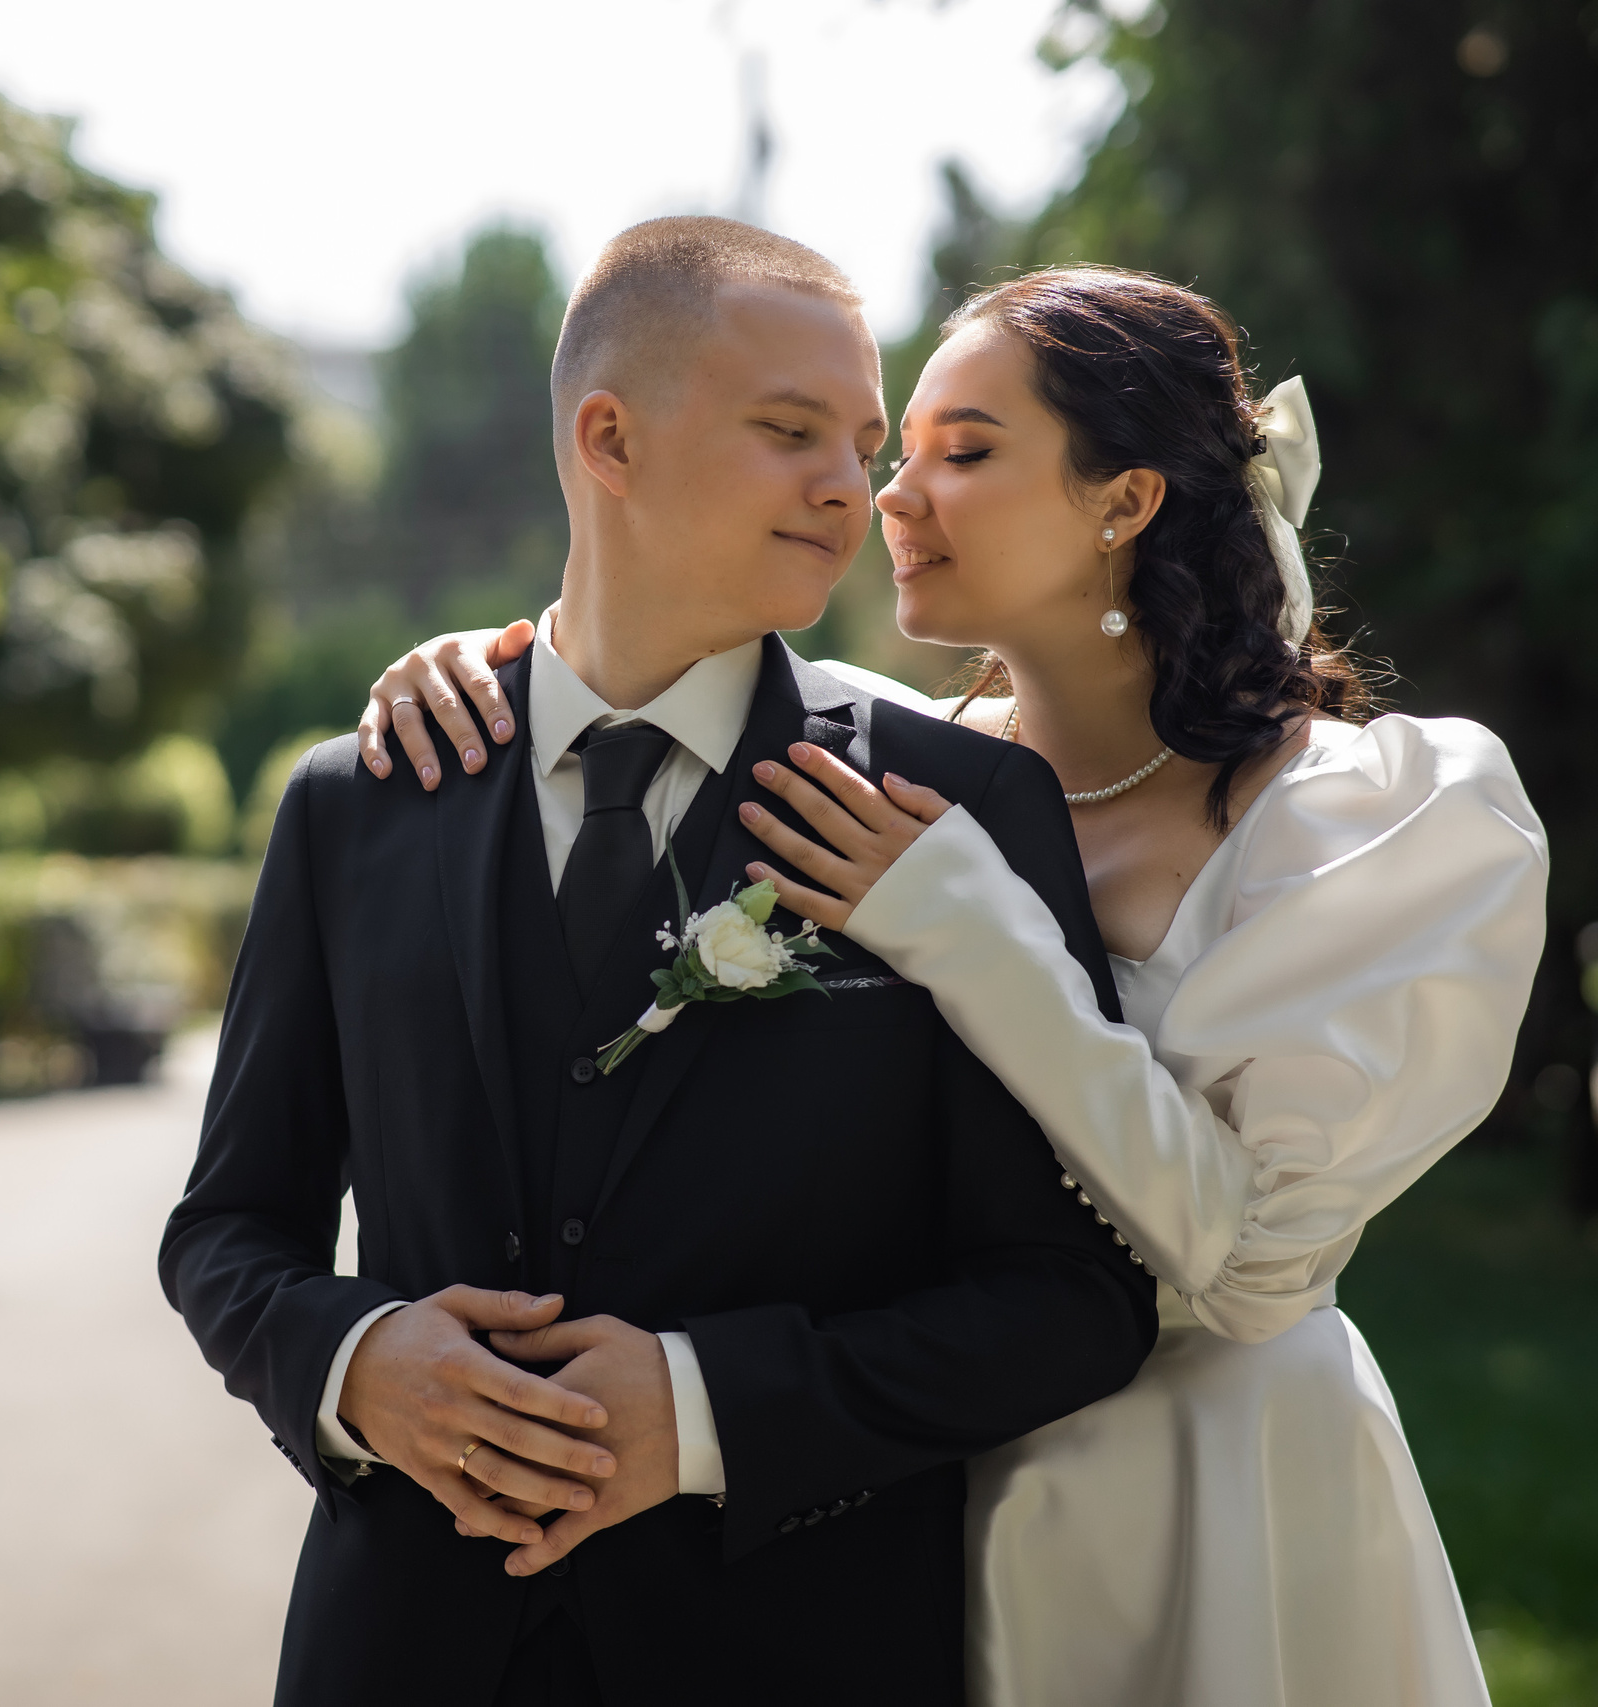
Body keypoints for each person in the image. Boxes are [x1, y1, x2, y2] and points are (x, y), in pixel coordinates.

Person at [358, 265, 1549, 1706]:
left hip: (1216, 1489)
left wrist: (973, 932)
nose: (889, 499)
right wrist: (481, 676)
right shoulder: (887, 770)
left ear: (1125, 501)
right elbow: (626, 688)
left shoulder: (1366, 815)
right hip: (909, 1481)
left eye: (964, 453)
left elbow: (1248, 1272)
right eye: (893, 453)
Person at [160, 219, 1156, 1707]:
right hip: (406, 1655)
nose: (854, 485)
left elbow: (1071, 1299)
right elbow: (229, 1229)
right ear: (609, 439)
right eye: (789, 429)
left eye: (864, 439)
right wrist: (355, 1364)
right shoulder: (358, 803)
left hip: (797, 1654)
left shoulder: (953, 810)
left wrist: (703, 1409)